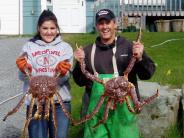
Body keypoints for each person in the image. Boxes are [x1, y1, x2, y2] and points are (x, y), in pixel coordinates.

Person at [73, 9, 156, 138]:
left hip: (124, 109)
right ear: (96, 26)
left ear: (115, 24)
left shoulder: (130, 47)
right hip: (97, 109)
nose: (105, 27)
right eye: (101, 23)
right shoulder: (88, 51)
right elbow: (79, 82)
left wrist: (140, 58)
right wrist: (79, 63)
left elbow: (147, 74)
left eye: (108, 22)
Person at [16, 10, 73, 138]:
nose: (49, 32)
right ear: (38, 28)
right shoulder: (28, 47)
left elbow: (66, 77)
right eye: (45, 28)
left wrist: (62, 72)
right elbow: (22, 77)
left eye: (52, 28)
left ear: (57, 29)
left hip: (59, 103)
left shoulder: (65, 48)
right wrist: (24, 70)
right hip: (35, 103)